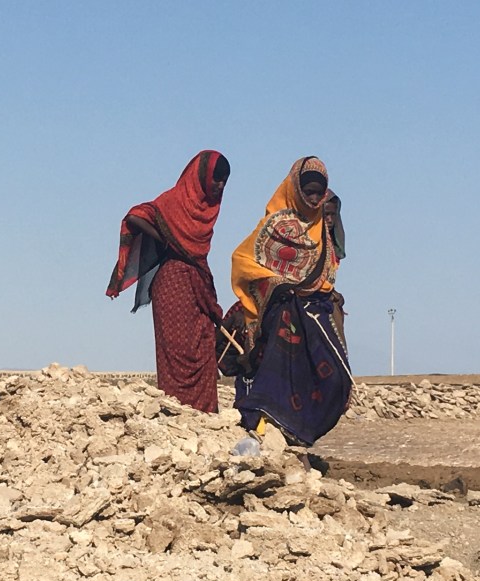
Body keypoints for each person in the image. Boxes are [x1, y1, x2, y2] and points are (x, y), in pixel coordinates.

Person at [229, 156, 352, 453]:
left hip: (315, 312)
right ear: (295, 189)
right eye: (307, 191)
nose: (313, 198)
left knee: (336, 380)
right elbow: (243, 261)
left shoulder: (325, 227)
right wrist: (276, 284)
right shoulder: (275, 226)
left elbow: (324, 276)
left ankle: (299, 432)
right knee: (276, 371)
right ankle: (266, 426)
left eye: (317, 193)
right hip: (279, 310)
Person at [106, 150, 230, 412]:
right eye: (216, 179)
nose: (219, 186)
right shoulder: (175, 200)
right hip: (173, 283)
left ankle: (205, 416)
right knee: (177, 351)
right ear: (201, 177)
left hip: (197, 281)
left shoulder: (208, 210)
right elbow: (134, 216)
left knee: (205, 343)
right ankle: (177, 414)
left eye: (224, 181)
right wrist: (167, 241)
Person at [324, 190, 346, 261]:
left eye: (333, 214)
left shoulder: (334, 247)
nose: (330, 220)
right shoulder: (305, 240)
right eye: (326, 214)